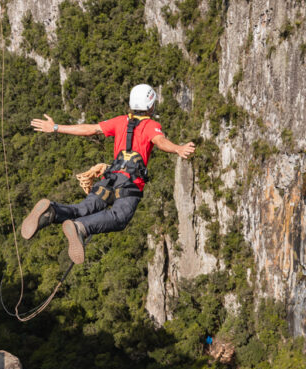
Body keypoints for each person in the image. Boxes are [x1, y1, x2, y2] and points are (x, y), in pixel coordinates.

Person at [20, 84, 195, 264]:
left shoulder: (120, 121)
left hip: (109, 178)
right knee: (119, 217)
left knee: (82, 209)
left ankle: (52, 211)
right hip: (129, 183)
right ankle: (81, 228)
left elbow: (90, 129)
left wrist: (56, 127)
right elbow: (160, 141)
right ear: (150, 105)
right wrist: (178, 149)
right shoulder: (151, 125)